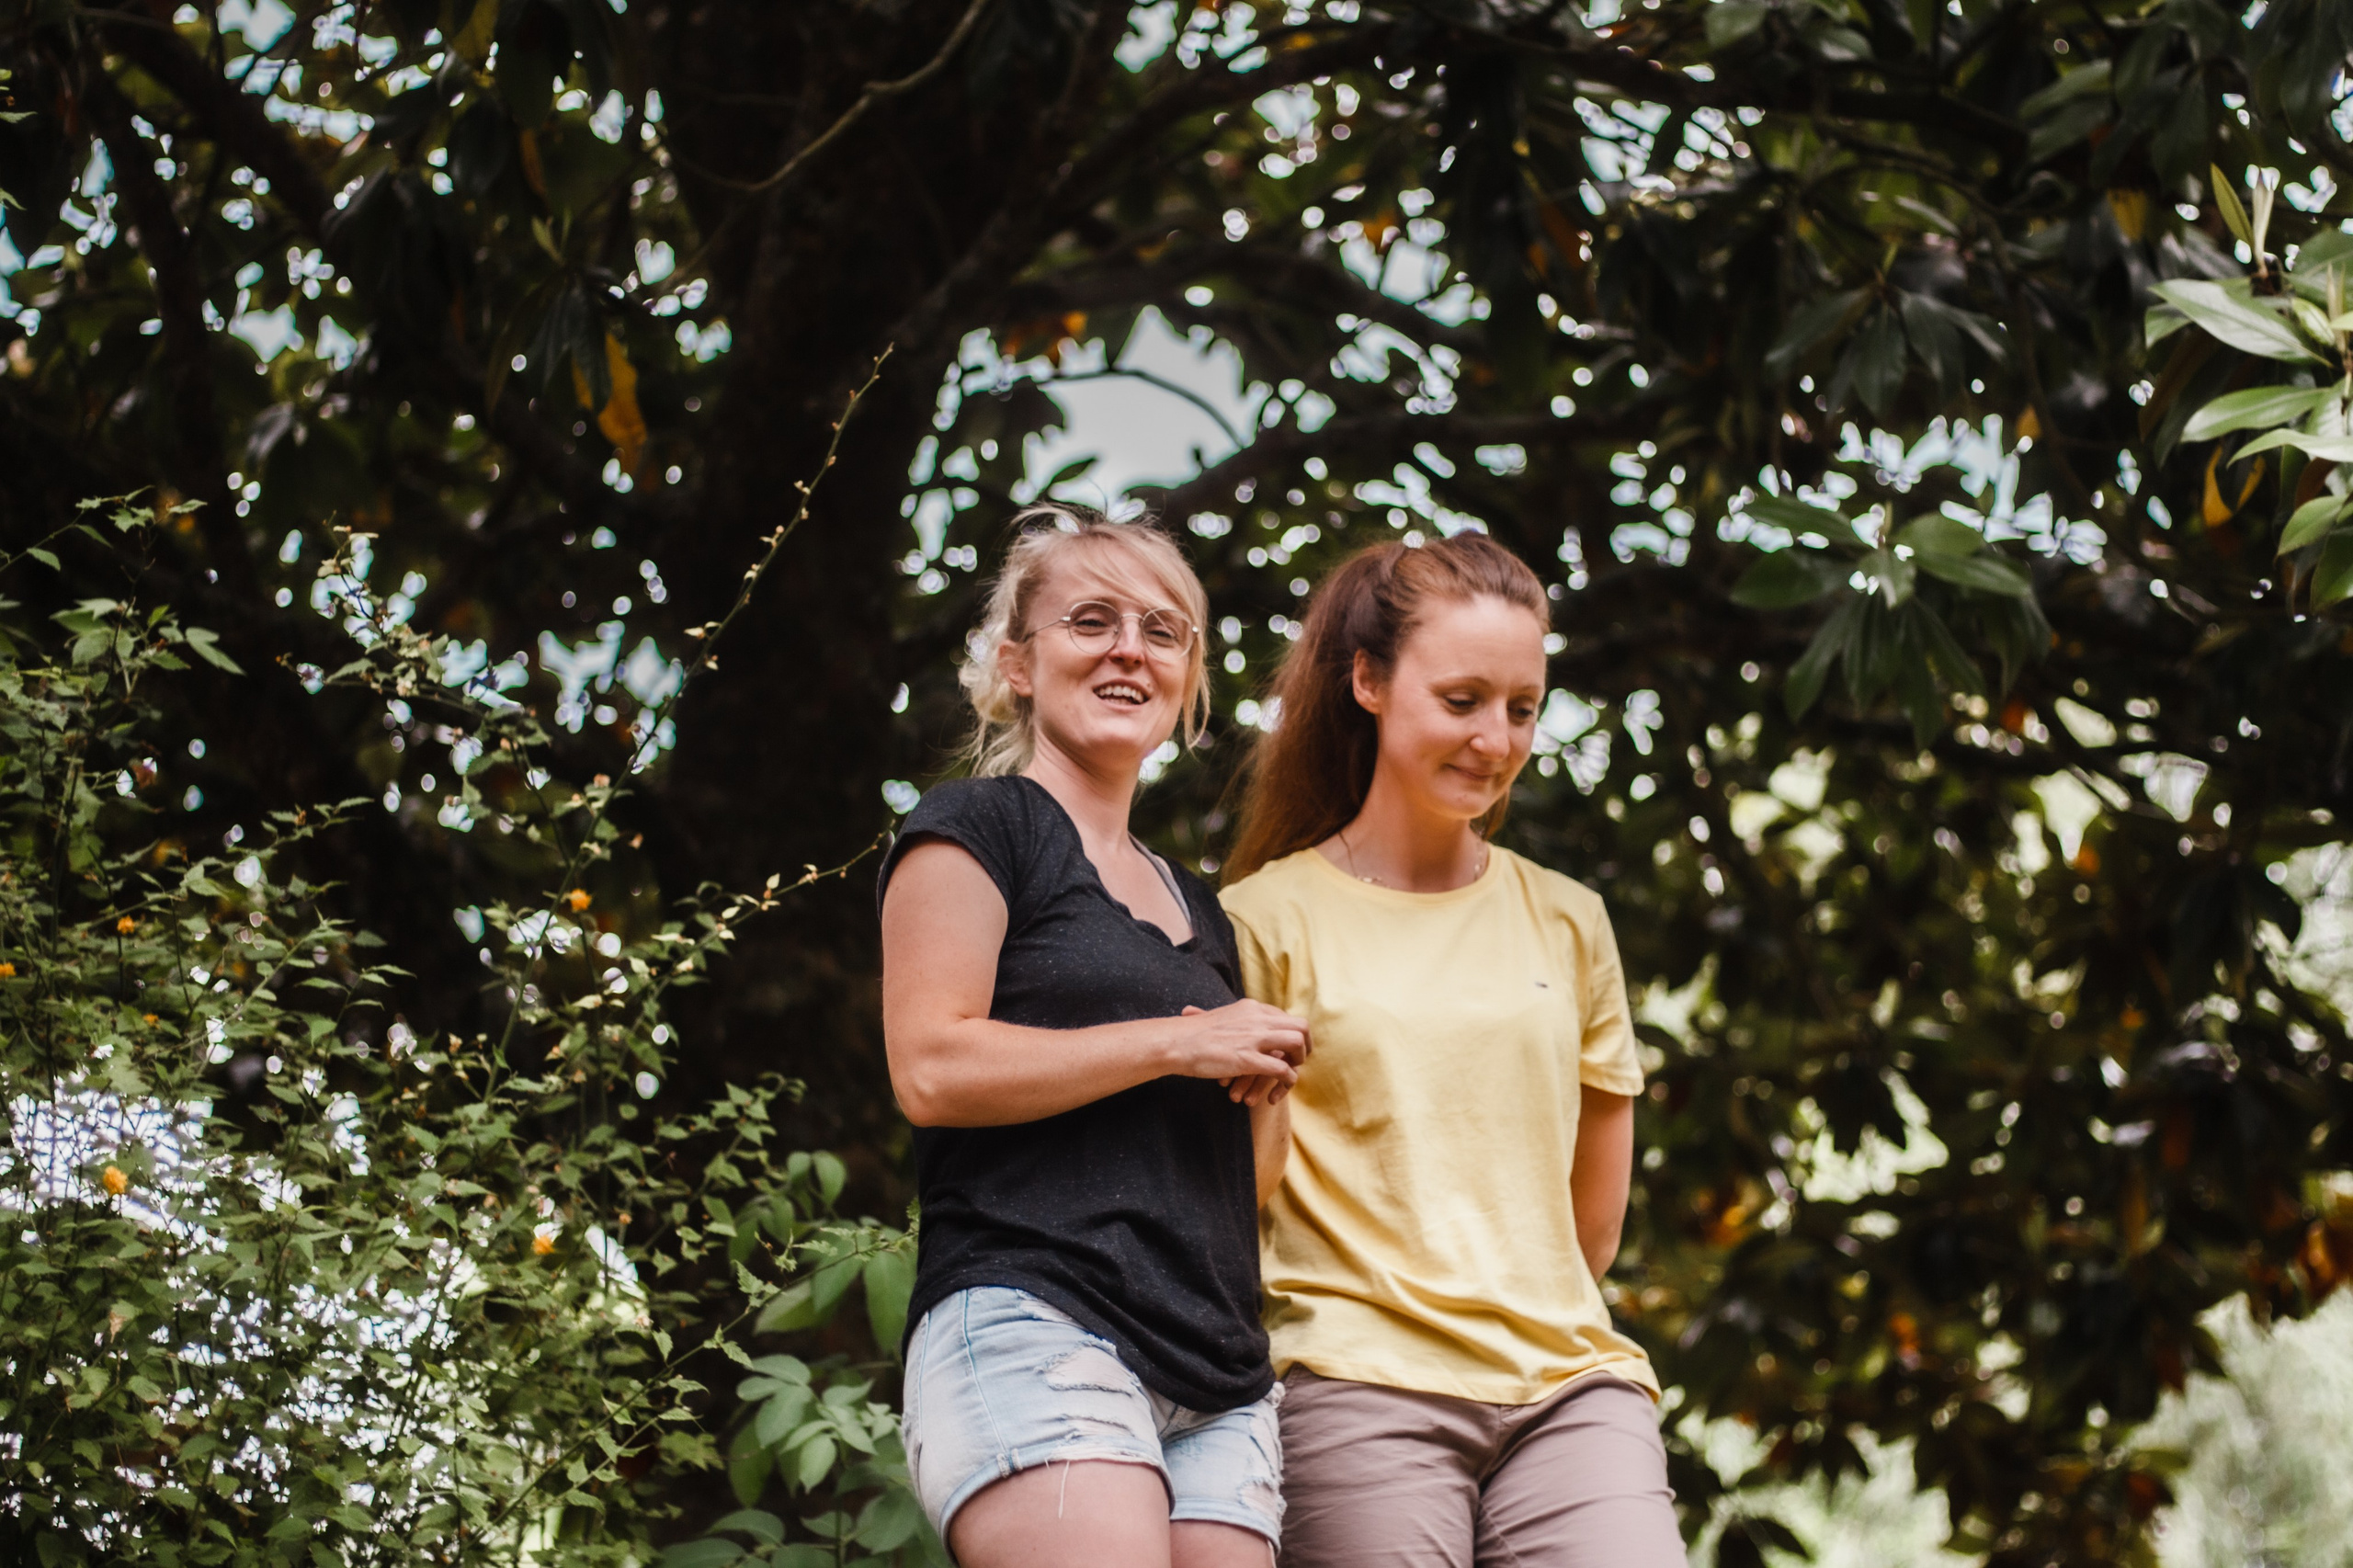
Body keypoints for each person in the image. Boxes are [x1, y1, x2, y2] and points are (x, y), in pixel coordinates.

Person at [1218, 533, 1683, 1568]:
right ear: (1370, 681)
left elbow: (1590, 1229)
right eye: (1462, 698)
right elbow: (1226, 1195)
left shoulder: (1569, 920)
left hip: (1568, 1388)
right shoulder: (1260, 920)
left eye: (1522, 706)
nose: (1495, 737)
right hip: (1350, 1380)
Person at [877, 506, 1307, 1568]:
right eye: (1093, 620)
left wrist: (1265, 1081)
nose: (1130, 647)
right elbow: (931, 1065)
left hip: (1216, 1373)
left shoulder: (1200, 909)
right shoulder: (978, 826)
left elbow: (1235, 1186)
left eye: (1163, 631)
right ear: (1018, 663)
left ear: (1189, 677)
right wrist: (1175, 1042)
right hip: (1036, 1314)